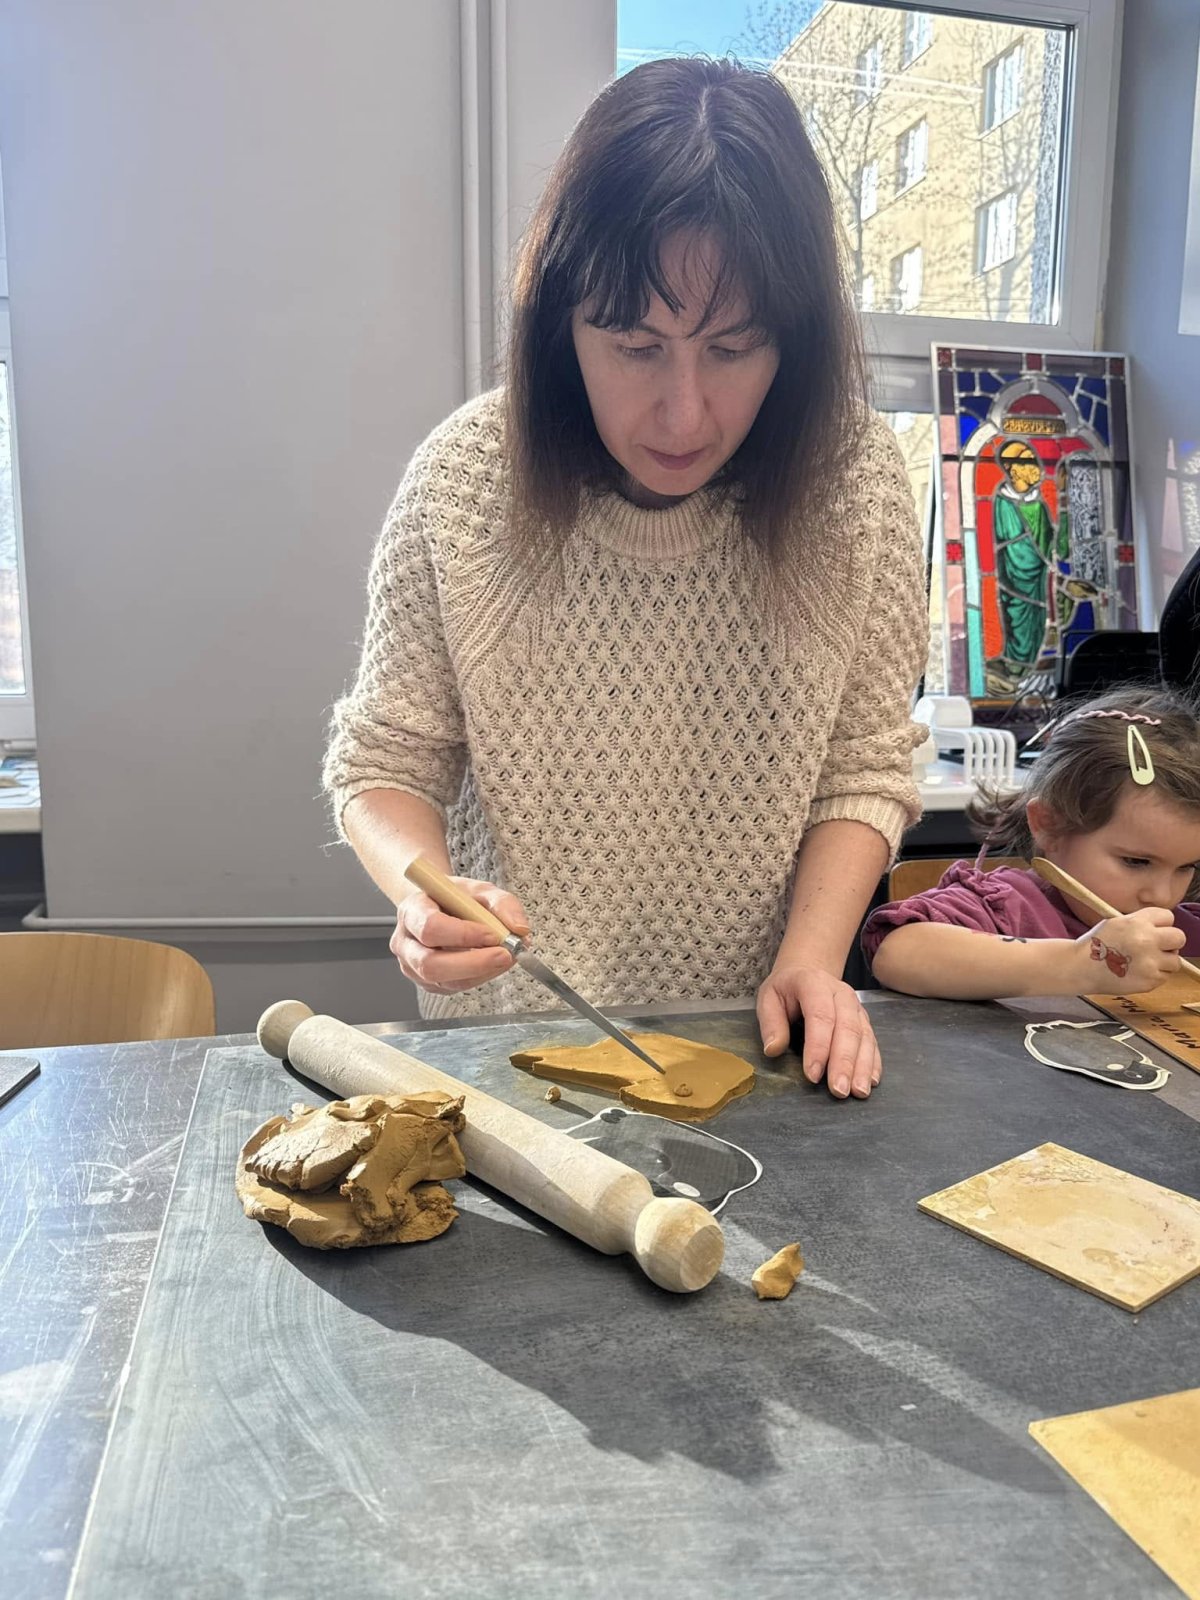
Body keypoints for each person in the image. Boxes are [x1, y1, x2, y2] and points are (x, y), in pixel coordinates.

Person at [323, 57, 929, 1100]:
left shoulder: (854, 482)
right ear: (562, 325)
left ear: (793, 339)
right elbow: (384, 759)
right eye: (635, 346)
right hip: (510, 1044)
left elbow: (864, 762)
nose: (684, 413)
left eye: (733, 347)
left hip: (757, 1035)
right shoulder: (469, 481)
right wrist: (425, 895)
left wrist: (811, 960)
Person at [864, 686, 1200, 1000]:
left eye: (1187, 867)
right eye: (1136, 862)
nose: (1163, 896)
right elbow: (899, 952)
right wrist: (1079, 964)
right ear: (1049, 825)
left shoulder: (1185, 931)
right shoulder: (1006, 909)